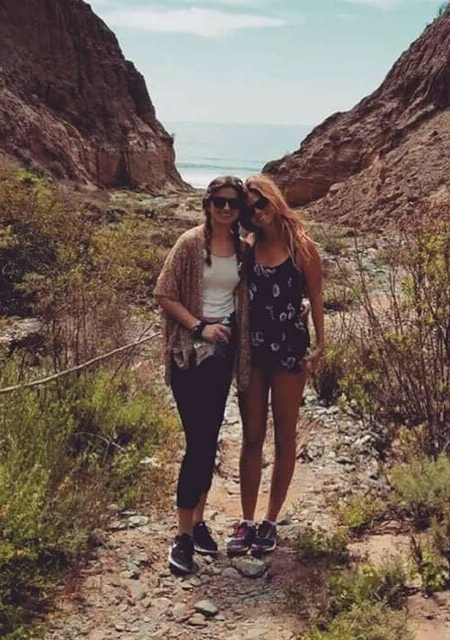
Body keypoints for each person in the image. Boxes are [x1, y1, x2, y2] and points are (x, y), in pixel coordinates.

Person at [154, 176, 250, 574]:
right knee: (197, 443)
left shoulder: (244, 250)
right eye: (219, 201)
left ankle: (197, 523)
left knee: (208, 440)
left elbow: (253, 294)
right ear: (208, 204)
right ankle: (182, 537)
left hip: (221, 355)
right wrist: (199, 327)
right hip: (187, 353)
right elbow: (164, 293)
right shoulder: (190, 243)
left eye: (233, 203)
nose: (226, 208)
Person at [227, 174, 325, 557]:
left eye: (261, 203)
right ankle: (246, 521)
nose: (257, 212)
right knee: (251, 437)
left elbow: (316, 296)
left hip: (289, 353)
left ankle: (270, 521)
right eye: (249, 208)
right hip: (252, 352)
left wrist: (320, 343)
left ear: (273, 199)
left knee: (285, 437)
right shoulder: (248, 246)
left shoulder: (301, 246)